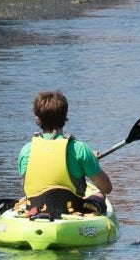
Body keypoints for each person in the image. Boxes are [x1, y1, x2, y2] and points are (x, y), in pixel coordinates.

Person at [16, 90, 113, 219]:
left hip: (36, 210)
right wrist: (92, 162)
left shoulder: (26, 150)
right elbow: (107, 188)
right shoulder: (80, 149)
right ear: (65, 117)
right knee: (100, 194)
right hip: (72, 212)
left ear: (37, 118)